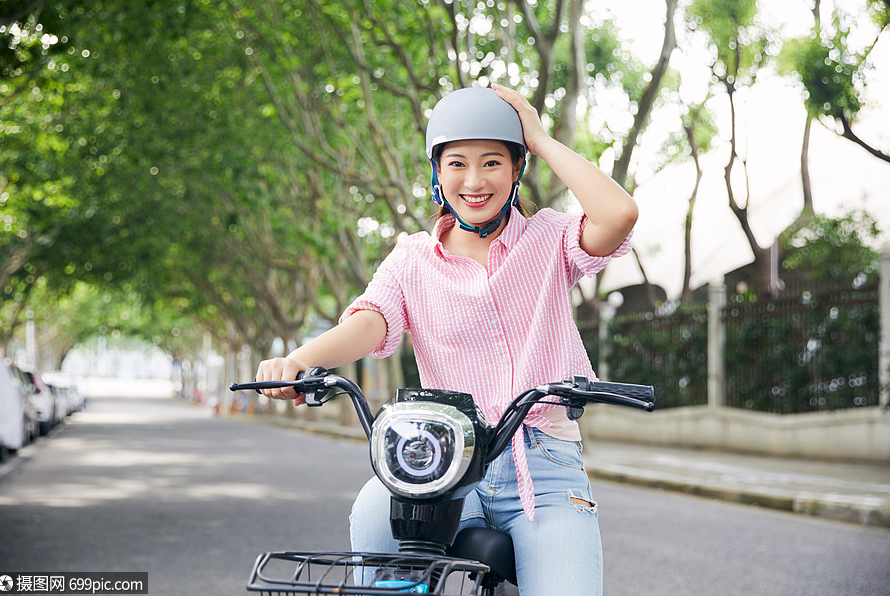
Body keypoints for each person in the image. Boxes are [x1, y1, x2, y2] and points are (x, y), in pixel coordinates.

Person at [255, 84, 638, 596]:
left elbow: (618, 216)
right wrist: (297, 361)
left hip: (544, 468)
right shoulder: (412, 258)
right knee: (374, 509)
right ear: (437, 173)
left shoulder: (549, 239)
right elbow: (370, 321)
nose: (474, 181)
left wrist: (540, 138)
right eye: (457, 163)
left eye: (493, 162)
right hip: (446, 459)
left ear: (517, 168)